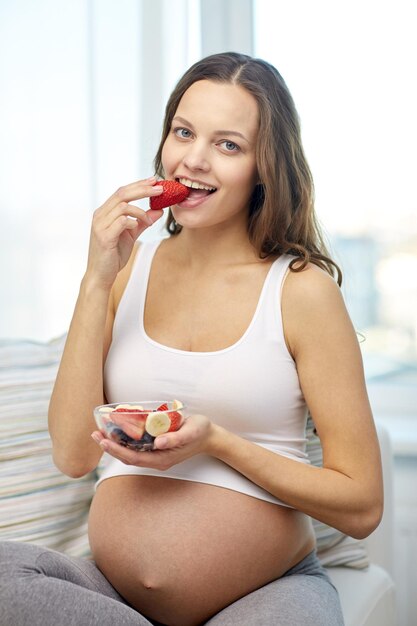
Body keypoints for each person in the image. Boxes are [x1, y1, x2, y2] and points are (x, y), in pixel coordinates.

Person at [0, 52, 383, 626]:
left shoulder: (301, 290)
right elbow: (74, 455)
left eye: (228, 145)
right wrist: (96, 277)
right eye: (183, 132)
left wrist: (217, 442)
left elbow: (362, 506)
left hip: (266, 594)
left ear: (264, 167)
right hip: (114, 598)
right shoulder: (126, 270)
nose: (193, 160)